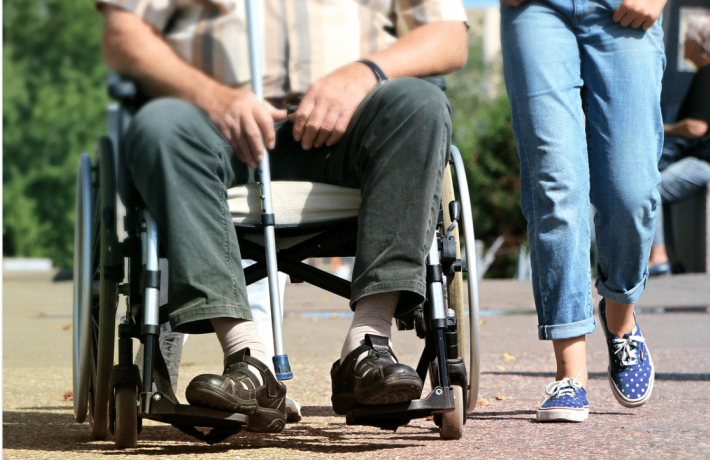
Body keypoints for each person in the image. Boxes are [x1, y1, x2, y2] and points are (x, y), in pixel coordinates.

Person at [95, 0, 467, 433]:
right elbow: (124, 32)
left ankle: (369, 343)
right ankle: (246, 359)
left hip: (352, 125)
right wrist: (211, 94)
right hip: (214, 125)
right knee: (160, 124)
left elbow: (448, 36)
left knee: (420, 103)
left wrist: (365, 71)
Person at [500, 0, 666, 422]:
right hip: (537, 10)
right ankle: (570, 373)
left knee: (631, 190)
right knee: (556, 187)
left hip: (623, 8)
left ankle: (620, 321)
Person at [647, 8, 710, 276]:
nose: (682, 47)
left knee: (653, 189)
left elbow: (695, 128)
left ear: (696, 44)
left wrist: (661, 129)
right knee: (661, 184)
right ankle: (668, 255)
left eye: (685, 42)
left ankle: (659, 256)